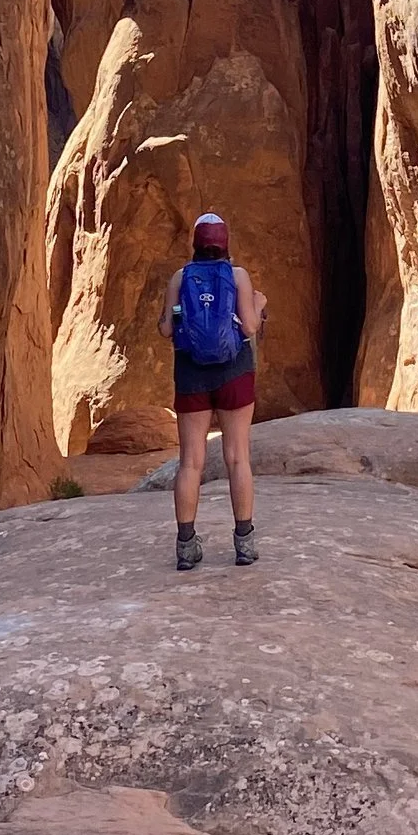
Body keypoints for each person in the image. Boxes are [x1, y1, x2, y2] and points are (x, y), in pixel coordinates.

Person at [165, 210, 267, 571]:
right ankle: (244, 543)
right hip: (234, 373)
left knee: (190, 461)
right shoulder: (237, 276)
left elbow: (165, 328)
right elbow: (250, 327)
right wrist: (258, 302)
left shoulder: (180, 277)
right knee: (237, 456)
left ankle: (186, 547)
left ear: (195, 243)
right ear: (225, 243)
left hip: (191, 375)